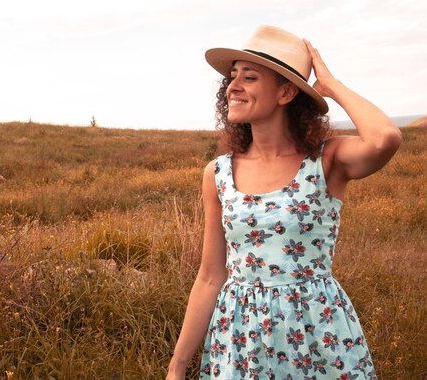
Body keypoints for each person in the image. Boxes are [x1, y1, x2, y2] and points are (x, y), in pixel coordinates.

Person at [166, 25, 402, 379]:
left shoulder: (326, 160)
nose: (233, 87)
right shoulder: (217, 174)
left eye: (249, 77)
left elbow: (385, 138)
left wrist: (329, 86)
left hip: (317, 334)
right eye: (232, 77)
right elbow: (210, 277)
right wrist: (178, 365)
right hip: (239, 340)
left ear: (286, 92)